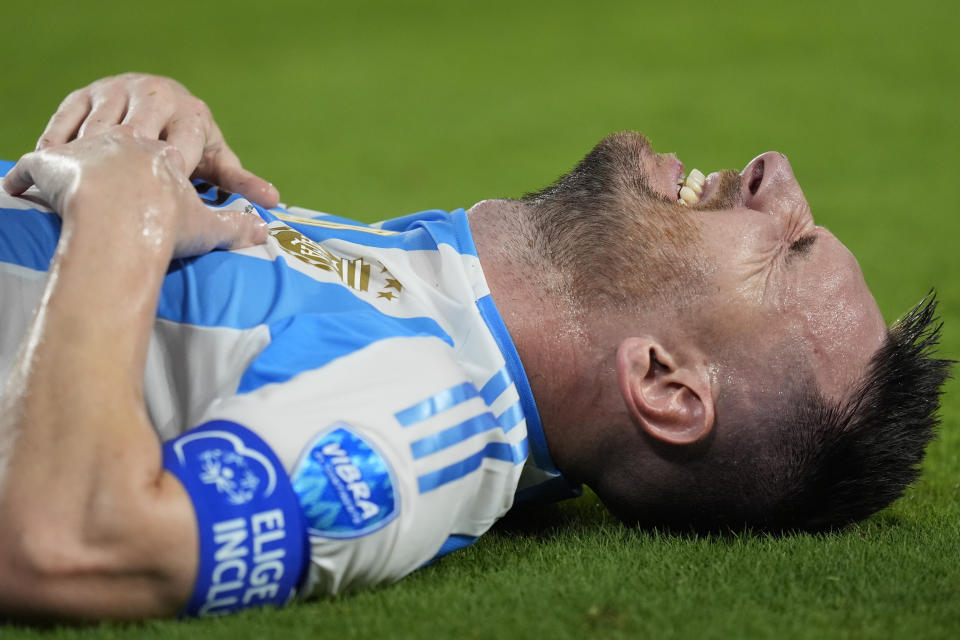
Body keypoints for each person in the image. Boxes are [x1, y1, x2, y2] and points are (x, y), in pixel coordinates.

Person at [0, 74, 949, 622]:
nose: (774, 175)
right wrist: (160, 133)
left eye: (785, 246)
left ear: (664, 385)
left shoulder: (427, 416)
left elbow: (66, 545)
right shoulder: (439, 288)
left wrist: (120, 210)